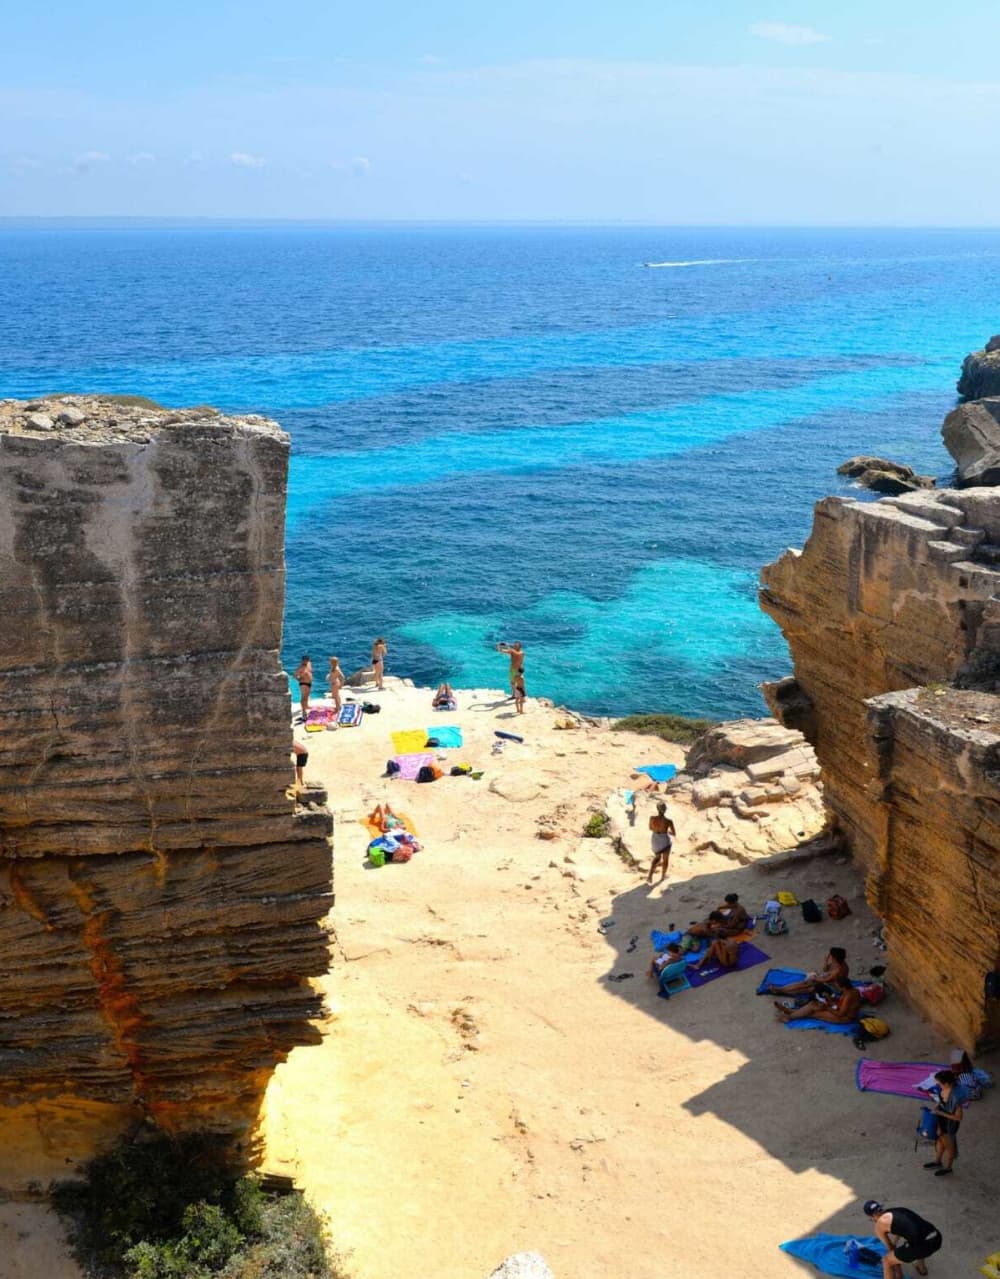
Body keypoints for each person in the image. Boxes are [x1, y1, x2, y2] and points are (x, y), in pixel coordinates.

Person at [863, 1201, 942, 1279]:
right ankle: (921, 1268)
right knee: (916, 1238)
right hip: (936, 1237)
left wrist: (898, 1273)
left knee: (887, 1261)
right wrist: (894, 1244)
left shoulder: (879, 1225)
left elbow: (890, 1249)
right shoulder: (897, 1210)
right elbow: (903, 1229)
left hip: (923, 1246)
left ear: (872, 1217)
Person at [924, 1070, 968, 1176]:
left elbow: (958, 1118)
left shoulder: (955, 1098)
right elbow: (941, 1102)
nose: (936, 1084)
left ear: (947, 1083)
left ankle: (948, 1168)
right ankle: (937, 1162)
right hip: (941, 1121)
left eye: (939, 1083)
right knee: (940, 1143)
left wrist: (940, 1113)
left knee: (950, 1148)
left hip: (949, 1125)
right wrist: (938, 1106)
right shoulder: (943, 1089)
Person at [760, 948, 849, 997]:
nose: (830, 957)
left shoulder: (838, 969)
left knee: (804, 985)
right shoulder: (838, 963)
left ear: (835, 958)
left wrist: (815, 978)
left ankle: (779, 990)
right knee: (805, 985)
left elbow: (826, 979)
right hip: (829, 981)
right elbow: (825, 970)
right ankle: (780, 990)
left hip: (834, 988)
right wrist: (825, 962)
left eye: (831, 956)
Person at [775, 974, 861, 1024]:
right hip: (838, 1009)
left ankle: (789, 1016)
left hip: (844, 1018)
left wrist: (827, 1007)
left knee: (813, 1012)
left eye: (838, 986)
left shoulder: (849, 996)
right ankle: (790, 1012)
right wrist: (830, 1000)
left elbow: (840, 1014)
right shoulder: (851, 990)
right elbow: (839, 1004)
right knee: (813, 1004)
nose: (837, 987)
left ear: (844, 987)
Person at [647, 802, 676, 885]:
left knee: (657, 857)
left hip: (655, 839)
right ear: (665, 810)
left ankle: (649, 876)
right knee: (665, 859)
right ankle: (663, 876)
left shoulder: (652, 818)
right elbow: (674, 833)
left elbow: (650, 828)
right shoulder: (668, 821)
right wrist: (668, 832)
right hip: (664, 841)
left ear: (657, 809)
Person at [293, 655, 313, 720]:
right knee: (303, 697)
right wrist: (299, 679)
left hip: (309, 683)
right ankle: (304, 712)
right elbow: (294, 675)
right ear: (302, 660)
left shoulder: (309, 664)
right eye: (304, 660)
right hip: (303, 683)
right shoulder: (300, 668)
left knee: (307, 696)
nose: (305, 661)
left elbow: (310, 672)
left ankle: (306, 706)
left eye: (307, 660)